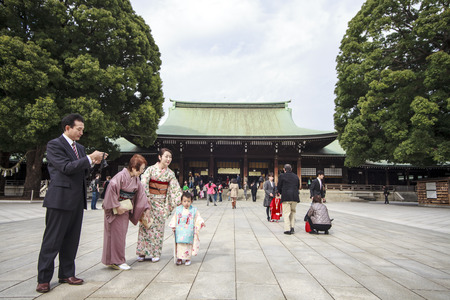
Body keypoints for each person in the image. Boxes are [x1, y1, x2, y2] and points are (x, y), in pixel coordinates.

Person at [36, 113, 107, 293]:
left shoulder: (80, 148)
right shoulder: (54, 145)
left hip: (77, 199)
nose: (81, 133)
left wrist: (93, 162)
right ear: (67, 128)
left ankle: (67, 273)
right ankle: (43, 279)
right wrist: (90, 158)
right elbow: (66, 167)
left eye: (82, 129)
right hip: (59, 199)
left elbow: (82, 172)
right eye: (79, 129)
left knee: (72, 239)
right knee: (52, 240)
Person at [101, 154, 150, 270]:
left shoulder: (135, 178)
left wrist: (146, 207)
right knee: (115, 236)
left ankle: (113, 260)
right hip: (116, 210)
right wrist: (117, 206)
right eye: (141, 169)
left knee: (120, 235)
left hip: (125, 209)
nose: (142, 172)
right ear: (133, 167)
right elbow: (112, 188)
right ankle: (118, 261)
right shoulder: (120, 177)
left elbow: (141, 194)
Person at [136, 148, 182, 262]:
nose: (168, 159)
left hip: (161, 203)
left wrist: (180, 198)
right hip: (149, 201)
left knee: (158, 229)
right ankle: (142, 252)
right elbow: (143, 184)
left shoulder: (170, 173)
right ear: (159, 157)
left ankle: (155, 252)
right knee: (145, 227)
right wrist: (146, 201)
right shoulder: (150, 170)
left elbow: (175, 188)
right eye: (166, 156)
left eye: (170, 157)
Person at [169, 191, 205, 266]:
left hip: (189, 231)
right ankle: (179, 258)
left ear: (191, 201)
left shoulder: (194, 210)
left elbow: (197, 217)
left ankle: (188, 258)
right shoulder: (178, 209)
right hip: (180, 231)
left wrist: (201, 222)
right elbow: (175, 218)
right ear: (181, 201)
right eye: (184, 201)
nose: (186, 203)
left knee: (188, 245)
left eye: (188, 201)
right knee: (179, 245)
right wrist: (173, 226)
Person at [277, 164, 300, 235]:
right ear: (291, 169)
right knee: (293, 212)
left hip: (286, 196)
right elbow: (298, 186)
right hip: (295, 197)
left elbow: (279, 186)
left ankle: (287, 229)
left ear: (284, 169)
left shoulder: (282, 176)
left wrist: (280, 192)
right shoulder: (296, 176)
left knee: (286, 213)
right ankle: (292, 227)